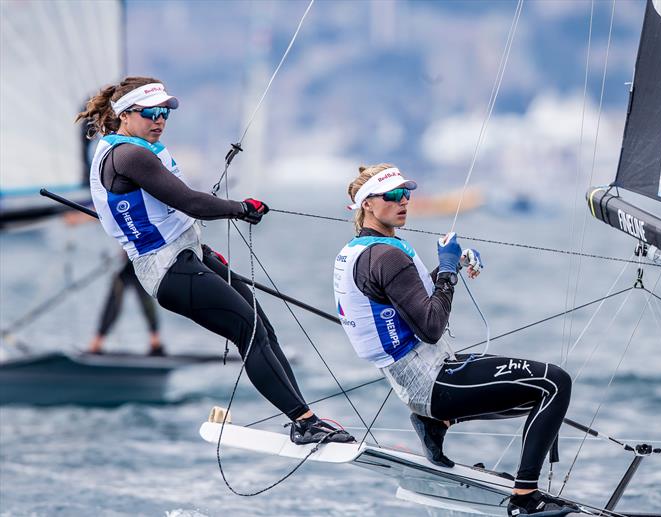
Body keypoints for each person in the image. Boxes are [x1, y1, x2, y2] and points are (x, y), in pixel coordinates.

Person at [76, 76, 353, 445]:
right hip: (166, 271)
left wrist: (200, 249)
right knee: (249, 332)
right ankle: (303, 422)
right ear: (125, 115)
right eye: (151, 113)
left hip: (187, 255)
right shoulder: (129, 155)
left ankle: (306, 417)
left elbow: (169, 214)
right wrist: (242, 208)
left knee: (264, 330)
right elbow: (191, 203)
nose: (159, 120)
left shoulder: (134, 148)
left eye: (165, 114)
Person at [334, 164, 574, 516]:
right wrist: (446, 268)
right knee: (554, 385)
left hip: (423, 377)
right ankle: (525, 499)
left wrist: (453, 265)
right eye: (395, 195)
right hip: (433, 382)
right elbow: (430, 326)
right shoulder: (386, 256)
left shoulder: (367, 249)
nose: (405, 202)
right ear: (367, 205)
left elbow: (411, 297)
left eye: (407, 194)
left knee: (534, 396)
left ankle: (437, 423)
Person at [88, 251, 164, 355]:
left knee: (145, 300)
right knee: (115, 300)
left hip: (141, 260)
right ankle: (97, 343)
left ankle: (155, 341)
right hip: (127, 264)